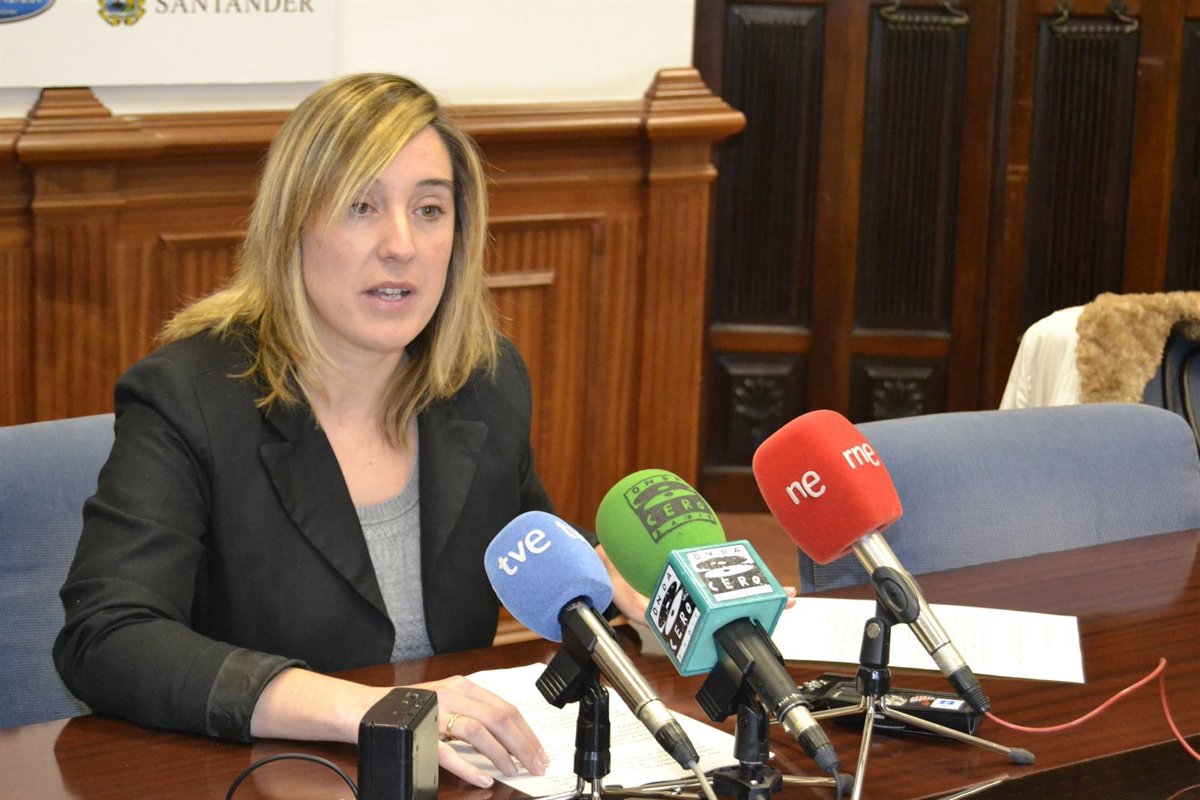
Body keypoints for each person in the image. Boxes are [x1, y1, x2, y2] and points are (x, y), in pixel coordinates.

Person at [53, 72, 645, 789]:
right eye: (361, 206)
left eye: (430, 209)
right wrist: (365, 708)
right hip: (261, 778)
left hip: (442, 779)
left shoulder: (483, 382)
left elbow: (530, 552)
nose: (401, 244)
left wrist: (614, 590)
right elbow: (107, 638)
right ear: (291, 225)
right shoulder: (190, 396)